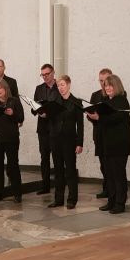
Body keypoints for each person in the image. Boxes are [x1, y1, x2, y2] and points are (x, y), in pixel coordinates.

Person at [87, 74, 130, 214]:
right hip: (105, 142)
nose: (108, 88)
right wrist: (92, 117)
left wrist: (99, 117)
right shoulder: (105, 101)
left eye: (110, 85)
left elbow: (116, 118)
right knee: (109, 174)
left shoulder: (122, 101)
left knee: (118, 174)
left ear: (116, 86)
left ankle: (120, 202)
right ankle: (111, 200)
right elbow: (101, 121)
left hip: (118, 144)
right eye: (106, 85)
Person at [0, 80, 24, 203]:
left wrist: (13, 114)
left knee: (13, 166)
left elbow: (21, 118)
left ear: (6, 89)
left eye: (0, 88)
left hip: (11, 139)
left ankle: (17, 193)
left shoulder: (14, 101)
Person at [47, 75, 84, 209]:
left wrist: (80, 143)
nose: (60, 88)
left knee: (70, 170)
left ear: (68, 84)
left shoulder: (76, 102)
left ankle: (72, 199)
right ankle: (58, 199)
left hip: (70, 140)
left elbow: (80, 125)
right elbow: (51, 120)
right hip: (56, 139)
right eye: (58, 85)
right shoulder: (55, 102)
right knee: (58, 170)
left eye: (62, 85)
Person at [32, 63, 60, 195]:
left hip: (56, 126)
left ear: (53, 73)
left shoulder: (60, 86)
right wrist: (37, 110)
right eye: (42, 75)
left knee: (57, 157)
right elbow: (34, 106)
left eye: (47, 74)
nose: (45, 77)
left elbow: (61, 106)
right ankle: (45, 185)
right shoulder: (39, 88)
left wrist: (49, 113)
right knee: (44, 157)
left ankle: (60, 184)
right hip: (43, 128)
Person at [89, 68, 113, 200]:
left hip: (111, 133)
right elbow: (90, 112)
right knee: (103, 164)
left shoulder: (118, 93)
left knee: (112, 164)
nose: (103, 84)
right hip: (98, 133)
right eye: (101, 80)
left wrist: (100, 117)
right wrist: (91, 116)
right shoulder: (95, 95)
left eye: (106, 80)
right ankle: (106, 188)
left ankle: (113, 189)